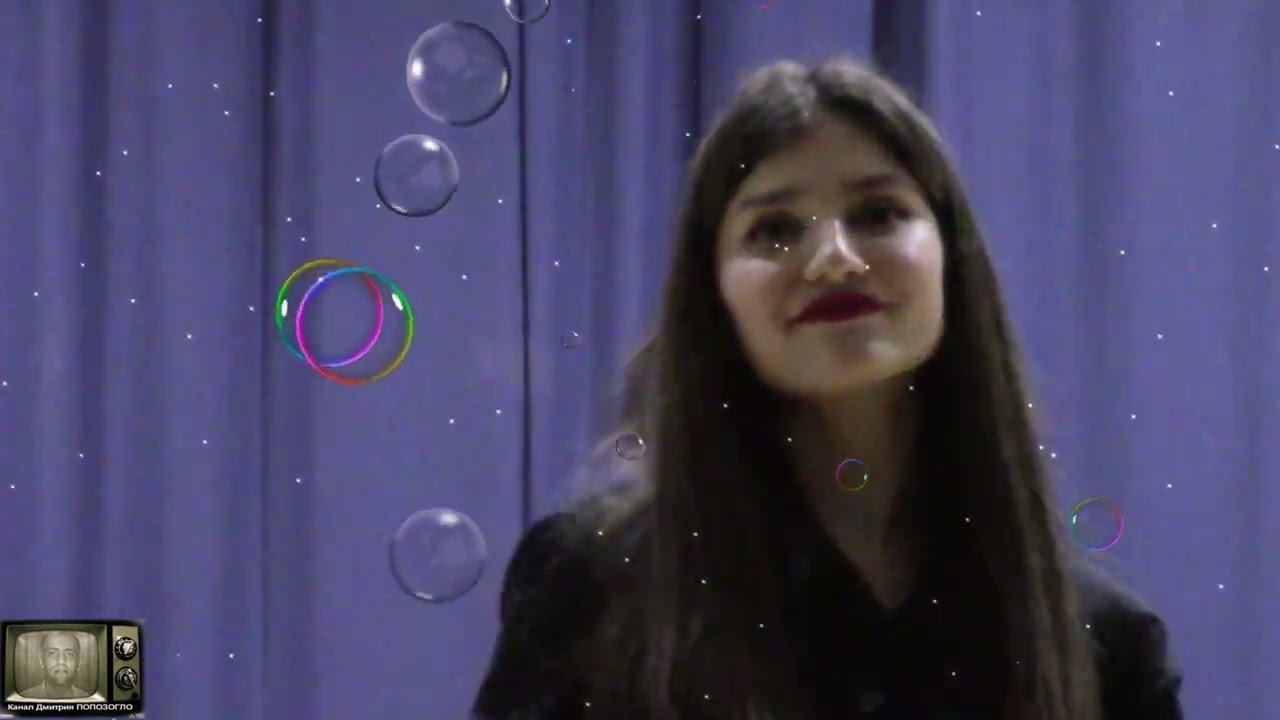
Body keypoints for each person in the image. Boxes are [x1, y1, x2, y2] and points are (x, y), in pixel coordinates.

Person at [472, 57, 1184, 719]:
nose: (834, 259)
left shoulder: (1104, 642)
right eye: (774, 230)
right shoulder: (593, 587)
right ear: (714, 295)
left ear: (950, 256)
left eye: (878, 214)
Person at [22, 631, 90, 700]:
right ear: (41, 661)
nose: (61, 661)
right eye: (52, 653)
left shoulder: (88, 700)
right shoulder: (25, 697)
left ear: (79, 662)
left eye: (69, 654)